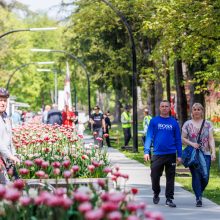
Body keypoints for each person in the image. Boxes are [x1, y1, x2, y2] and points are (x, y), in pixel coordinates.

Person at [144, 100, 182, 208]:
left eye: (166, 106)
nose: (164, 108)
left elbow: (178, 139)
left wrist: (179, 154)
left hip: (170, 154)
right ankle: (156, 192)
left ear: (170, 108)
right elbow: (149, 137)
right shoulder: (154, 121)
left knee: (170, 177)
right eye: (162, 106)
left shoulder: (174, 122)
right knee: (154, 176)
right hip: (157, 154)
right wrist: (146, 151)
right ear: (159, 108)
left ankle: (169, 199)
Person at [181, 103, 216, 207]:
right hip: (193, 154)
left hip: (206, 153)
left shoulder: (208, 124)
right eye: (194, 109)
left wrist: (213, 151)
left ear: (202, 111)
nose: (196, 111)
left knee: (205, 176)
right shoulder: (187, 124)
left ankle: (198, 192)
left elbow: (211, 138)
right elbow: (182, 138)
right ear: (192, 111)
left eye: (198, 109)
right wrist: (192, 144)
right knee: (196, 175)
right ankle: (198, 198)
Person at [0, 88, 20, 184]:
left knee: (17, 183)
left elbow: (9, 140)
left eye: (4, 101)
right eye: (0, 100)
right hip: (1, 160)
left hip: (7, 159)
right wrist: (10, 156)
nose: (2, 103)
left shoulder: (6, 118)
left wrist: (14, 154)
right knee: (6, 186)